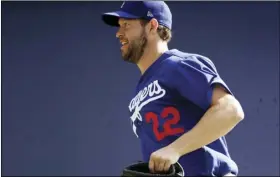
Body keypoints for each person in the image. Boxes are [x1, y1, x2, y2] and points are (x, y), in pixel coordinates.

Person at [101, 1, 244, 176]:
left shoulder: (177, 64)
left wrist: (174, 149)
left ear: (152, 26)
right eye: (119, 26)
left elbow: (231, 110)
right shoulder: (140, 89)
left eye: (126, 25)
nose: (118, 33)